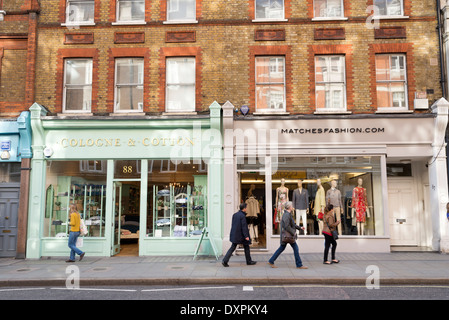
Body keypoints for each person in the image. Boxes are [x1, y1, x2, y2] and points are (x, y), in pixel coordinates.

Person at [268, 201, 308, 269]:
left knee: (282, 248)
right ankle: (299, 265)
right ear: (289, 207)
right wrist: (293, 232)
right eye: (292, 206)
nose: (292, 207)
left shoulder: (288, 214)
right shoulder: (286, 215)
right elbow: (287, 226)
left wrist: (300, 228)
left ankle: (271, 261)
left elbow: (292, 224)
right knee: (295, 248)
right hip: (288, 236)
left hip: (287, 236)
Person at [222, 203, 257, 267]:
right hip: (241, 235)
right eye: (246, 207)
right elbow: (244, 227)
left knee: (233, 247)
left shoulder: (235, 215)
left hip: (235, 234)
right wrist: (246, 236)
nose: (246, 209)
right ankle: (249, 261)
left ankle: (225, 260)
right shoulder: (242, 216)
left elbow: (233, 225)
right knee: (246, 247)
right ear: (244, 208)